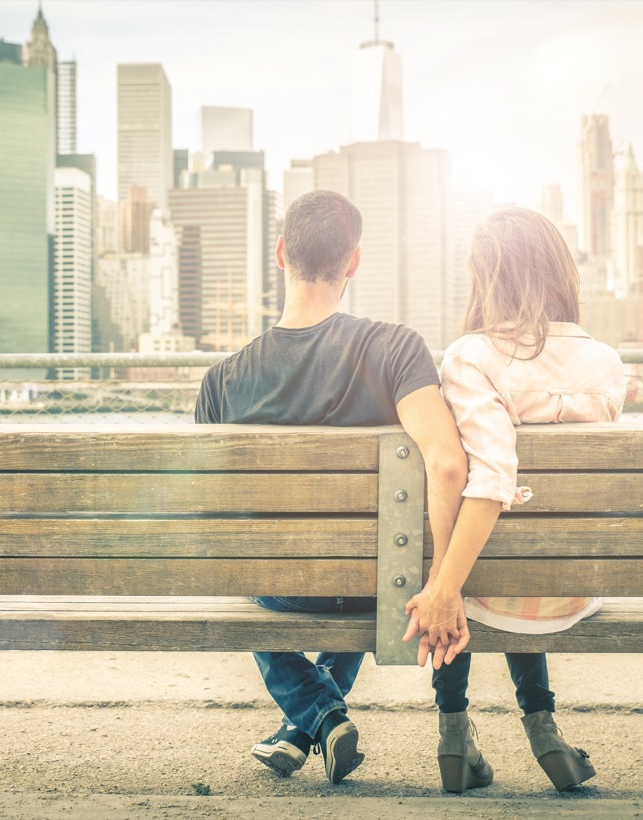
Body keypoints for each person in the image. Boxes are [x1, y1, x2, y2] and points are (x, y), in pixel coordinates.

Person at [195, 190, 467, 785]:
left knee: (255, 573)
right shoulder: (396, 348)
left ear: (280, 253)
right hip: (376, 584)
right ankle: (313, 720)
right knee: (362, 563)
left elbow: (214, 522)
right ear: (354, 261)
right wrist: (444, 583)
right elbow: (448, 465)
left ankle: (315, 718)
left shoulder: (221, 382)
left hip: (281, 590)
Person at [402, 205, 626, 793]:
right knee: (515, 559)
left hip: (488, 585)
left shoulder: (471, 357)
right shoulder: (605, 363)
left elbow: (493, 477)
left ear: (484, 278)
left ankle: (454, 733)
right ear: (560, 274)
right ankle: (544, 728)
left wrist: (442, 586)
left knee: (467, 567)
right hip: (570, 586)